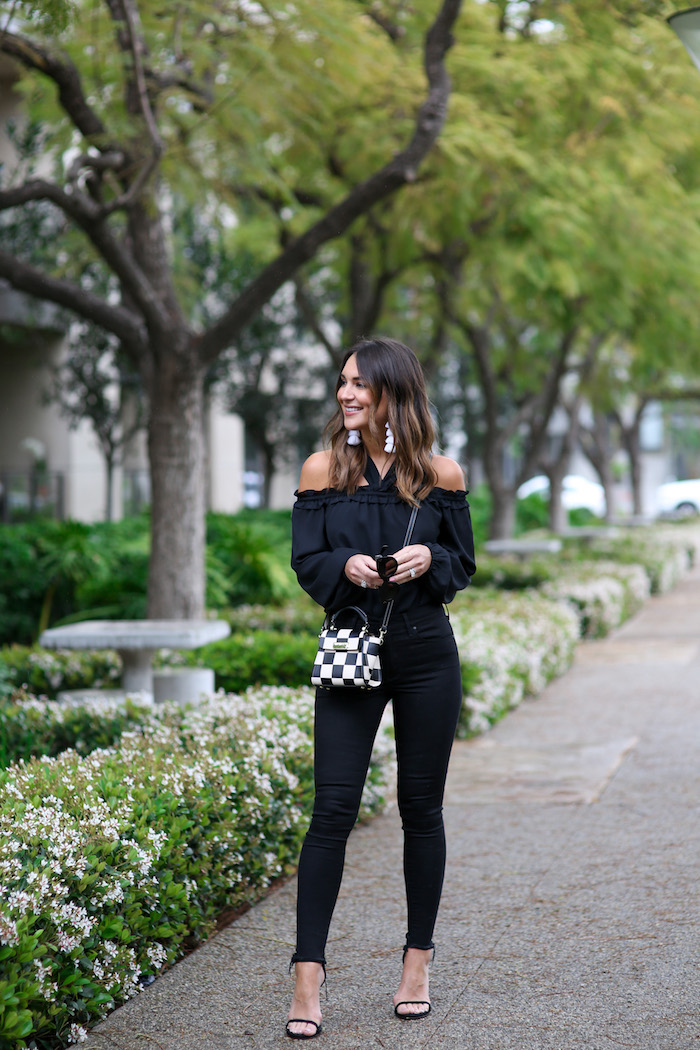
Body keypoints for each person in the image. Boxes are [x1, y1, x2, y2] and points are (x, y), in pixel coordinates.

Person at [286, 337, 476, 1040]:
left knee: (421, 809)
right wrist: (350, 567)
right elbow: (307, 564)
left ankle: (416, 964)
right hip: (350, 651)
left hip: (426, 652)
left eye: (360, 384)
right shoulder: (323, 470)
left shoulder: (440, 474)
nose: (346, 394)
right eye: (343, 383)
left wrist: (430, 557)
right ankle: (309, 975)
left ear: (393, 390)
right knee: (331, 810)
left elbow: (463, 564)